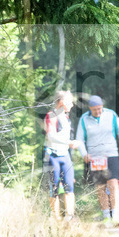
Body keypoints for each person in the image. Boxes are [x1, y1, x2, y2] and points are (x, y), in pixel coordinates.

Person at [76, 95, 119, 226]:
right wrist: (84, 154)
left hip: (111, 154)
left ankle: (116, 216)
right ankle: (106, 216)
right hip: (95, 158)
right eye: (95, 109)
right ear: (90, 109)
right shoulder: (84, 119)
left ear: (102, 106)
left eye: (100, 108)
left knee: (113, 184)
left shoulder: (111, 115)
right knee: (100, 187)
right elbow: (79, 139)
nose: (98, 112)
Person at [43, 89, 81, 222]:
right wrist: (69, 142)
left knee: (69, 186)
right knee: (54, 188)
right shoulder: (51, 115)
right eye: (70, 102)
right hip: (52, 155)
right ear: (62, 102)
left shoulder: (66, 117)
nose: (72, 104)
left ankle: (70, 218)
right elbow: (50, 135)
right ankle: (56, 218)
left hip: (65, 155)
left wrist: (69, 145)